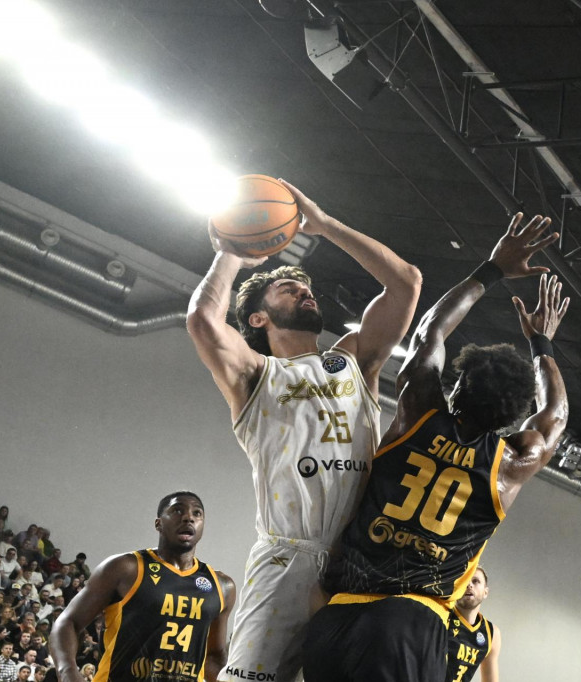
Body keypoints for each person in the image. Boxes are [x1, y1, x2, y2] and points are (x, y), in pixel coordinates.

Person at [303, 213, 569, 682]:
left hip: (335, 615)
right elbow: (556, 416)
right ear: (514, 410)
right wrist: (542, 344)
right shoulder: (510, 463)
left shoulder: (419, 413)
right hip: (409, 621)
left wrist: (492, 269)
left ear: (459, 384)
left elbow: (431, 331)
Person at [187, 180, 421, 682]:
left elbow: (405, 283)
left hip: (360, 564)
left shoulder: (353, 359)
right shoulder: (255, 374)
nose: (304, 289)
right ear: (258, 317)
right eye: (286, 287)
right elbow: (204, 320)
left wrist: (324, 224)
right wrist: (232, 252)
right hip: (286, 559)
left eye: (306, 286)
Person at [51, 492, 235, 682]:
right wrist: (68, 672)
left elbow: (213, 656)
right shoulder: (125, 568)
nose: (189, 517)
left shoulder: (221, 586)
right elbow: (68, 623)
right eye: (177, 510)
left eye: (197, 514)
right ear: (159, 524)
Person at [446, 567, 500, 682]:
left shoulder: (491, 633)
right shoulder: (441, 617)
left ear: (485, 592)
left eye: (475, 581)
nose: (469, 585)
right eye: (464, 580)